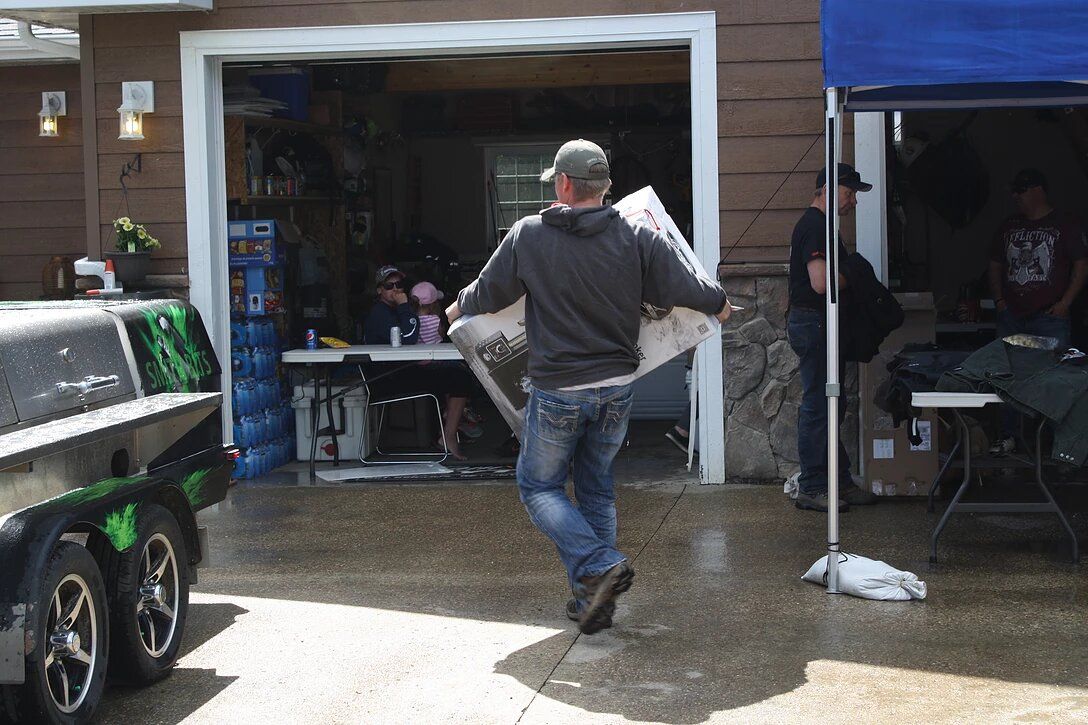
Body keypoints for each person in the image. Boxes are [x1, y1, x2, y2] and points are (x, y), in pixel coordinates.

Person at [446, 139, 733, 635]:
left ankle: (599, 565)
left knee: (538, 486)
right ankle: (590, 600)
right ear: (604, 187)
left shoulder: (528, 235)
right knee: (596, 486)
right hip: (618, 388)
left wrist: (458, 306)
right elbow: (683, 284)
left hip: (559, 390)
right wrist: (720, 302)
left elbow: (489, 292)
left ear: (562, 184)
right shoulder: (635, 235)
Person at [787, 163, 878, 513]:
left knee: (831, 404)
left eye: (854, 194)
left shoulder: (825, 226)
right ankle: (812, 486)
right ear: (827, 187)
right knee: (818, 405)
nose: (853, 200)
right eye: (849, 192)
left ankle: (840, 481)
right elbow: (821, 283)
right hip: (814, 323)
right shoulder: (814, 226)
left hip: (821, 322)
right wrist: (855, 275)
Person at [988, 168, 1088, 454]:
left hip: (1050, 318)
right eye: (1014, 191)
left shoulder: (1065, 224)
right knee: (1007, 376)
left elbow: (1082, 264)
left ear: (1039, 190)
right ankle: (1009, 438)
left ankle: (1065, 446)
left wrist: (1066, 302)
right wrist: (999, 301)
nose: (1015, 196)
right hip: (1013, 317)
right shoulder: (1009, 225)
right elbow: (994, 263)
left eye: (1021, 190)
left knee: (1060, 380)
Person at [364, 266, 475, 460]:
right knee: (460, 378)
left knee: (458, 373)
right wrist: (405, 306)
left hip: (400, 370)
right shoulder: (380, 313)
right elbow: (407, 337)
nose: (396, 290)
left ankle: (448, 428)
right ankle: (448, 436)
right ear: (379, 290)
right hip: (387, 378)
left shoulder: (392, 310)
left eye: (400, 285)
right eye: (390, 286)